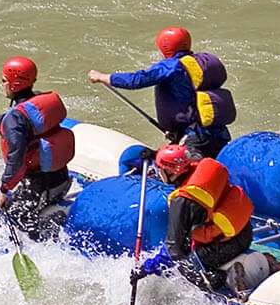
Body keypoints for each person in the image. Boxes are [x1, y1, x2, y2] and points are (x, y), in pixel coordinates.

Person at [0, 56, 76, 239]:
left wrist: (3, 191)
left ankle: (44, 242)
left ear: (14, 83)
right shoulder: (38, 101)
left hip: (40, 187)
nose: (2, 84)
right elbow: (18, 119)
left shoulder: (15, 119)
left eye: (4, 80)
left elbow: (16, 159)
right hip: (62, 181)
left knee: (10, 218)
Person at [86, 26, 236, 158]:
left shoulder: (171, 66)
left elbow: (137, 80)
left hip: (194, 138)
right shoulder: (199, 63)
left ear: (165, 48)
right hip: (217, 132)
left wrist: (103, 77)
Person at [135, 144, 255, 291]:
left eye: (160, 169)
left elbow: (174, 250)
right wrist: (155, 154)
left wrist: (146, 268)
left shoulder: (181, 202)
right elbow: (185, 154)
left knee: (182, 265)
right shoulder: (200, 166)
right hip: (246, 233)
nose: (158, 172)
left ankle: (222, 279)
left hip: (223, 249)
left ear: (170, 172)